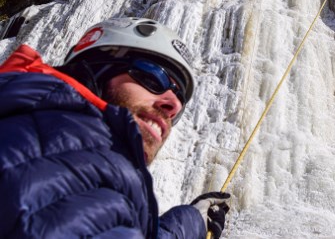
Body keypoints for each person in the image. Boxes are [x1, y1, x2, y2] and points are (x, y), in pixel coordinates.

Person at [0, 17, 229, 238]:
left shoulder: (49, 143)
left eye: (180, 102)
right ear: (95, 70)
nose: (173, 104)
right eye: (153, 77)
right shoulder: (71, 147)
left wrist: (192, 221)